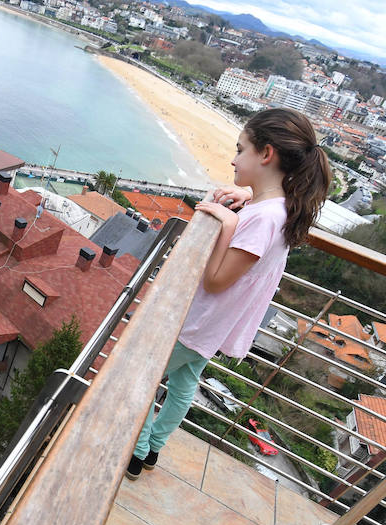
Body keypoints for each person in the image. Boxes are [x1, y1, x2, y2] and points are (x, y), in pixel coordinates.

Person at [126, 108, 331, 481]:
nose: (234, 159)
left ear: (266, 155)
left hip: (198, 321)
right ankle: (154, 447)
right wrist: (247, 198)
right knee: (184, 382)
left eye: (241, 150)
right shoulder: (277, 208)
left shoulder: (265, 217)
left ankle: (136, 452)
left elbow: (217, 280)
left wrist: (229, 224)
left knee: (138, 378)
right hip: (216, 326)